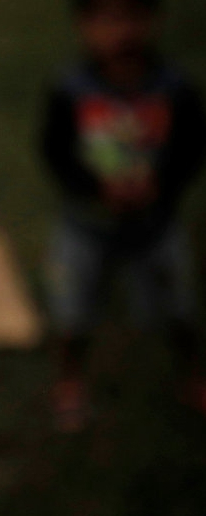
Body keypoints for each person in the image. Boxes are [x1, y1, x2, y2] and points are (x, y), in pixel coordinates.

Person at [39, 0, 206, 432]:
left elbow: (192, 147)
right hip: (86, 228)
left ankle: (192, 375)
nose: (123, 32)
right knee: (73, 312)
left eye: (134, 16)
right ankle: (70, 382)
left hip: (155, 228)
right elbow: (55, 154)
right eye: (109, 19)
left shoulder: (174, 87)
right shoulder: (69, 89)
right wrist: (96, 188)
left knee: (179, 307)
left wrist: (162, 184)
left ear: (155, 20)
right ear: (84, 25)